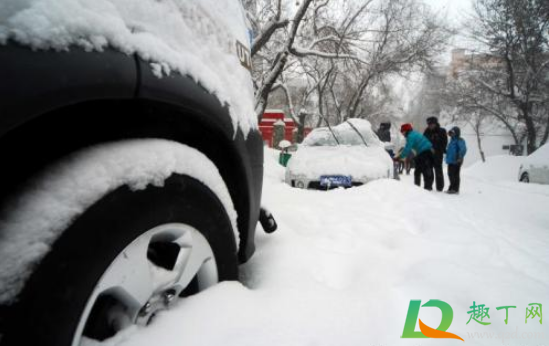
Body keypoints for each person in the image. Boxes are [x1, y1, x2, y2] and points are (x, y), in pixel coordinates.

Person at [396, 123, 434, 190]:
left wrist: (399, 157)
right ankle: (418, 187)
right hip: (424, 152)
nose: (402, 133)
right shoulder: (413, 134)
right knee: (418, 170)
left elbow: (407, 148)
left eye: (403, 131)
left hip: (425, 152)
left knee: (425, 170)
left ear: (406, 130)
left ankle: (427, 187)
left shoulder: (411, 136)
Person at [423, 116, 447, 191]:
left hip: (438, 154)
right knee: (428, 170)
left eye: (431, 124)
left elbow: (444, 143)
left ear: (435, 123)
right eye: (429, 124)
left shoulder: (442, 131)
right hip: (428, 154)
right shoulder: (426, 131)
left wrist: (437, 149)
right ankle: (428, 186)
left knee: (438, 170)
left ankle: (439, 187)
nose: (430, 126)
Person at [445, 126, 467, 194]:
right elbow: (450, 150)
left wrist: (460, 157)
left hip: (457, 160)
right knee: (450, 174)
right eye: (451, 133)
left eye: (453, 133)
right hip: (451, 161)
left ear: (456, 133)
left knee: (454, 174)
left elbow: (463, 149)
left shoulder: (460, 140)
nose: (451, 134)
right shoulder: (452, 140)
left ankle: (455, 189)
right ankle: (452, 188)